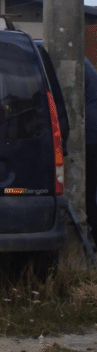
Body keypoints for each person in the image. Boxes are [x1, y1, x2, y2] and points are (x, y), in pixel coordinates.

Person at [85, 58, 97, 246]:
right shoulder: (85, 64)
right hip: (91, 133)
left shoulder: (77, 65)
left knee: (88, 192)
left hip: (88, 135)